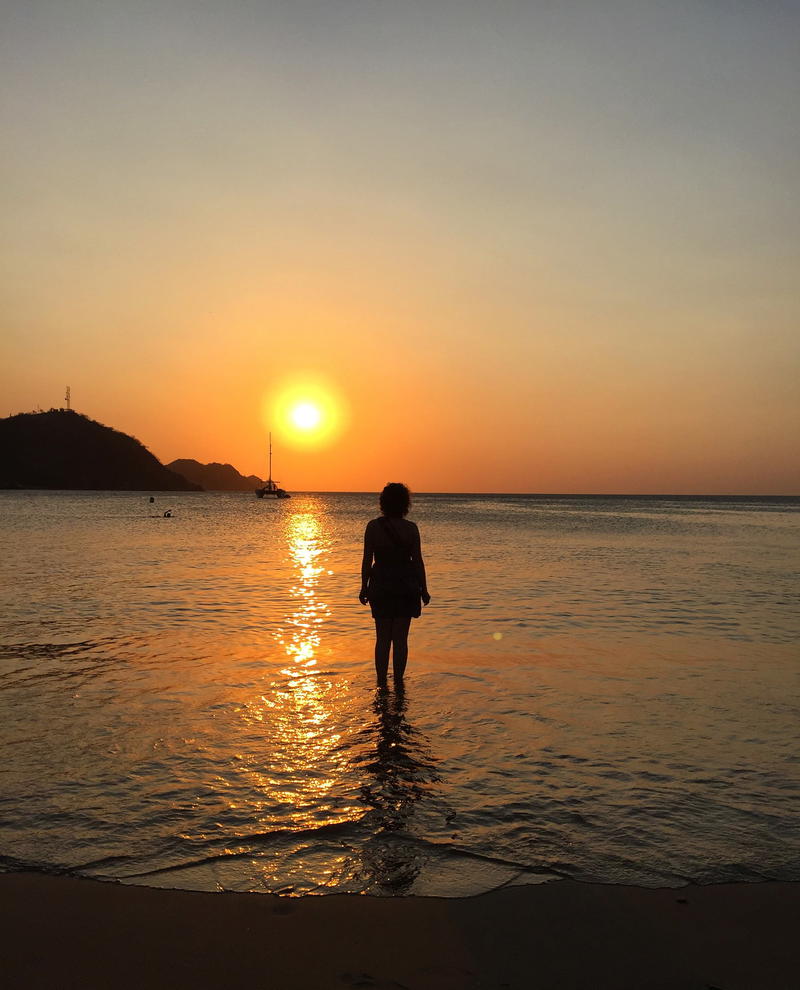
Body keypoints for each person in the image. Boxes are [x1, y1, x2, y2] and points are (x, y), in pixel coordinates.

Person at [359, 483, 430, 683]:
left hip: (380, 584)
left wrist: (364, 587)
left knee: (382, 638)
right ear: (405, 504)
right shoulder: (411, 529)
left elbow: (367, 560)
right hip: (406, 586)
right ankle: (399, 682)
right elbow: (418, 561)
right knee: (400, 639)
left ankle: (381, 682)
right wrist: (424, 589)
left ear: (383, 502)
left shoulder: (373, 527)